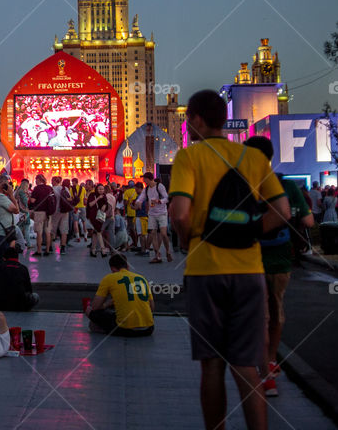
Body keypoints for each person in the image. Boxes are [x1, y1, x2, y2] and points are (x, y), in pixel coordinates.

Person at [170, 90, 290, 430]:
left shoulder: (189, 157)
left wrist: (189, 239)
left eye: (187, 119)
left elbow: (180, 215)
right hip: (249, 271)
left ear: (195, 119)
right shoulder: (253, 158)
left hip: (205, 271)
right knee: (247, 366)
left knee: (211, 366)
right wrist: (250, 231)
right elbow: (283, 211)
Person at [243, 136, 312, 397]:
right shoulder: (286, 185)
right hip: (282, 257)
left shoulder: (244, 186)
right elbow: (308, 221)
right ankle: (271, 360)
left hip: (250, 258)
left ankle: (263, 372)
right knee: (276, 309)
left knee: (259, 315)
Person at [85, 253, 154, 336]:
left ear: (113, 269)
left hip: (125, 330)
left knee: (89, 311)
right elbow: (152, 307)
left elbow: (95, 307)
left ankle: (104, 328)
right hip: (148, 329)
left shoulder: (109, 278)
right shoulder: (142, 279)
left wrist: (107, 304)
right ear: (127, 267)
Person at [0, 245, 38, 311]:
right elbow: (29, 289)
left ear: (4, 258)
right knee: (35, 296)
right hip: (20, 304)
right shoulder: (23, 268)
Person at [136, 172, 172, 263]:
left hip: (162, 213)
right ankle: (157, 255)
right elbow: (141, 197)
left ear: (149, 179)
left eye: (144, 178)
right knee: (152, 234)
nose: (143, 180)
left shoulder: (159, 186)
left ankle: (168, 251)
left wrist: (159, 201)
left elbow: (167, 198)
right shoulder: (146, 188)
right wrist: (138, 202)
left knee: (163, 233)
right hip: (152, 214)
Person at [28, 174, 56, 256]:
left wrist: (30, 196)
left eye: (36, 179)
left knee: (39, 232)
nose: (35, 181)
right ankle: (47, 250)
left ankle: (39, 250)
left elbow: (32, 201)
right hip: (48, 213)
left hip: (39, 212)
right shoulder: (49, 188)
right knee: (48, 232)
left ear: (39, 180)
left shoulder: (37, 189)